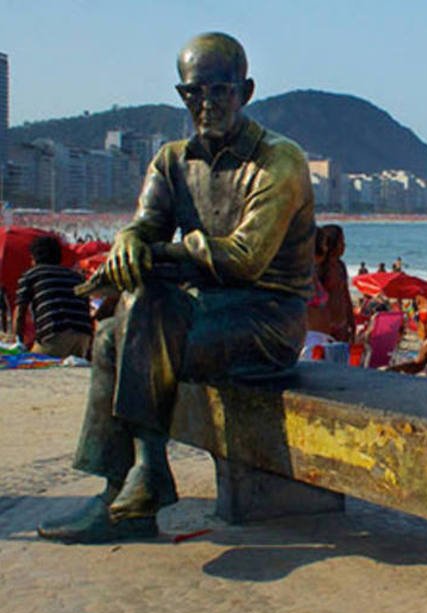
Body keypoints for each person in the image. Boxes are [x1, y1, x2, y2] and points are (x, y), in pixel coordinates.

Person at [37, 33, 315, 544]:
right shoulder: (171, 160)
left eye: (218, 91)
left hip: (267, 317)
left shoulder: (280, 161)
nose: (205, 105)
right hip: (195, 312)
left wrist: (162, 253)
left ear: (246, 91)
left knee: (134, 321)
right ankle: (123, 488)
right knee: (109, 337)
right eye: (193, 93)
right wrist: (128, 242)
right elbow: (146, 224)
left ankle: (144, 478)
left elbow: (246, 260)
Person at [13, 236, 93, 358]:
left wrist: (17, 341)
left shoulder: (31, 275)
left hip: (55, 332)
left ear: (34, 257)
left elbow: (20, 312)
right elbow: (86, 307)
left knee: (32, 366)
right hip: (83, 334)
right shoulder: (76, 277)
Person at [307, 224, 355, 343]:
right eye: (341, 242)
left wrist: (351, 321)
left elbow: (345, 295)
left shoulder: (341, 266)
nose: (344, 246)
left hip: (341, 322)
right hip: (326, 326)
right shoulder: (320, 267)